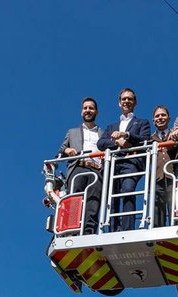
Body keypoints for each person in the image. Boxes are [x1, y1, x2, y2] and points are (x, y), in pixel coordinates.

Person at [97, 88, 150, 231]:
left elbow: (145, 139)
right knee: (112, 196)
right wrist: (116, 143)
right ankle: (114, 228)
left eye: (130, 99)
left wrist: (126, 136)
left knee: (128, 190)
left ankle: (127, 228)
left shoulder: (142, 123)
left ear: (135, 102)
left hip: (131, 162)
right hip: (114, 164)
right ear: (119, 103)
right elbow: (101, 144)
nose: (126, 101)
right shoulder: (111, 127)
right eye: (124, 99)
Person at [57, 97, 103, 235]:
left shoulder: (103, 133)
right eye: (85, 108)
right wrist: (67, 150)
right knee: (75, 201)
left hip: (96, 169)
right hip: (78, 167)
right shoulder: (72, 132)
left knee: (93, 203)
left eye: (91, 108)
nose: (88, 110)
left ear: (96, 112)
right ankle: (72, 232)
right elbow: (60, 151)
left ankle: (88, 233)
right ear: (81, 112)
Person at [150, 104, 176, 227]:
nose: (160, 118)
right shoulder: (150, 139)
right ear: (153, 120)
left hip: (173, 177)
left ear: (169, 118)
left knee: (174, 209)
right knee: (156, 212)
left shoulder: (175, 134)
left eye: (163, 115)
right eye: (157, 116)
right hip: (157, 178)